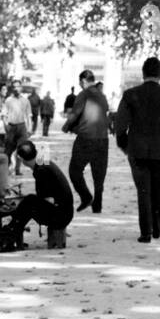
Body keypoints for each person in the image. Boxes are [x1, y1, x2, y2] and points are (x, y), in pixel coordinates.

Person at [115, 57, 160, 241]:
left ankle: (145, 232)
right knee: (158, 190)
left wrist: (124, 146)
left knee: (143, 191)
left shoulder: (130, 95)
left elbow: (120, 125)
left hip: (137, 151)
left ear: (143, 73)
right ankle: (157, 227)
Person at [0, 141, 74, 251]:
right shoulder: (43, 162)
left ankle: (9, 235)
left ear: (21, 159)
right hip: (65, 211)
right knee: (29, 201)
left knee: (29, 202)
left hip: (61, 216)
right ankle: (11, 232)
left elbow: (46, 198)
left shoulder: (41, 170)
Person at [62, 69, 110, 213]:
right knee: (99, 174)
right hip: (103, 138)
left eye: (80, 83)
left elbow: (75, 114)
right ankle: (97, 205)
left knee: (74, 170)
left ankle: (86, 196)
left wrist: (66, 127)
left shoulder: (84, 94)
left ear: (83, 81)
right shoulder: (102, 95)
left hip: (86, 138)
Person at [4, 82, 32, 176]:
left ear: (21, 88)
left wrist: (29, 128)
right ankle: (6, 169)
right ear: (12, 88)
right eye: (14, 86)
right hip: (11, 127)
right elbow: (4, 114)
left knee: (22, 149)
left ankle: (17, 170)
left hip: (22, 126)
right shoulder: (8, 100)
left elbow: (29, 115)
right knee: (8, 150)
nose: (16, 88)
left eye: (18, 86)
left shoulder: (25, 100)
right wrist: (6, 126)